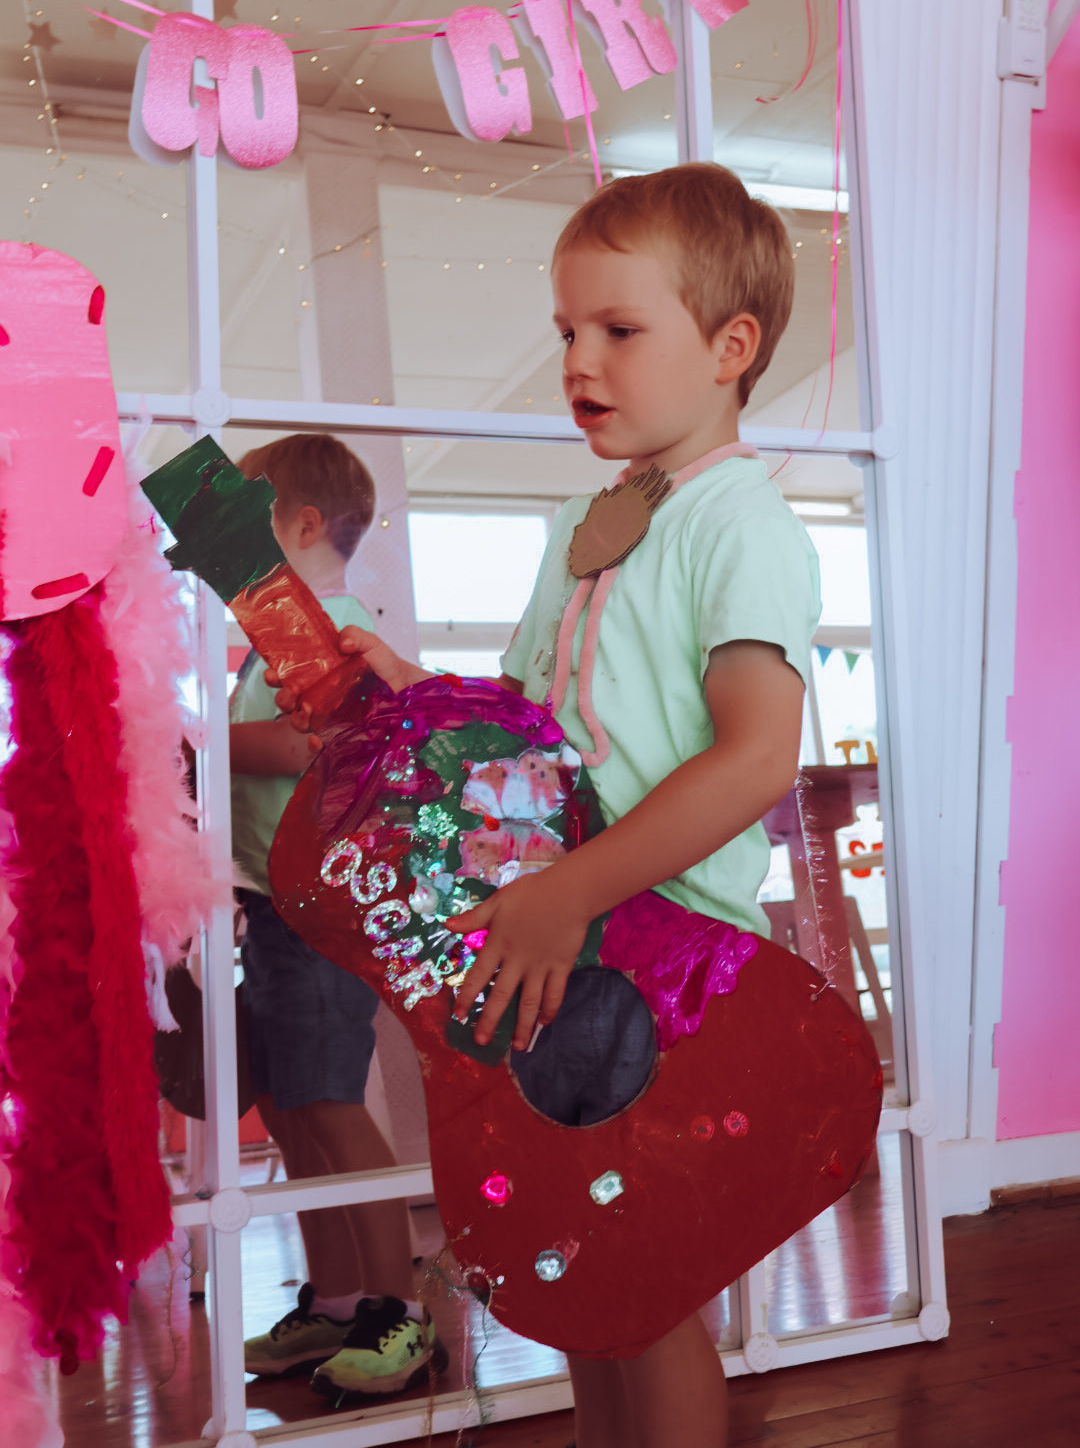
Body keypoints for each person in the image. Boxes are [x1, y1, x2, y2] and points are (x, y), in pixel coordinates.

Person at [277, 164, 820, 1447]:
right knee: (578, 1275)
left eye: (618, 331)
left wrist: (569, 891)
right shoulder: (585, 520)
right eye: (567, 332)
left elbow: (755, 759)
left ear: (731, 347)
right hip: (562, 952)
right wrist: (410, 687)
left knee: (649, 1289)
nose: (578, 359)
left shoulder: (739, 525)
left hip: (663, 961)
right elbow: (536, 727)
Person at [230, 434, 444, 1400]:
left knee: (326, 1100)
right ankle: (335, 1298)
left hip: (319, 905)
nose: (217, 549)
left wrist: (192, 740)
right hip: (276, 906)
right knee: (288, 1104)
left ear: (302, 526)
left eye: (240, 522)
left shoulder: (326, 623)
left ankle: (399, 1309)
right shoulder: (279, 626)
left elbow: (296, 744)